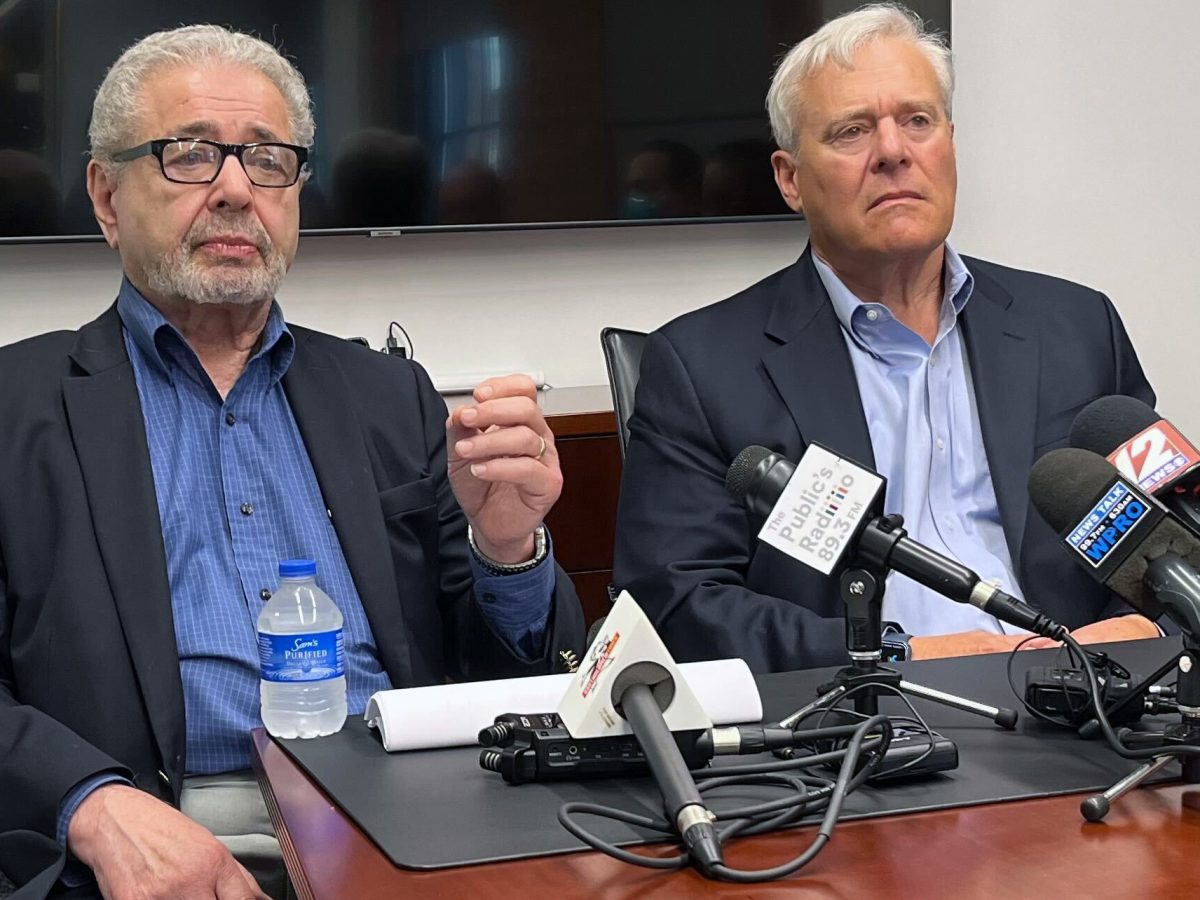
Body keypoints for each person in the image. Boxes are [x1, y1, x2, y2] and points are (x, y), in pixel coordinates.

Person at [0, 24, 584, 900]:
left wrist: (505, 549)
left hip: (409, 828)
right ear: (106, 196)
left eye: (269, 159)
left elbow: (515, 683)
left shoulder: (391, 396)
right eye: (190, 155)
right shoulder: (18, 405)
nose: (237, 188)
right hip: (148, 844)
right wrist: (90, 803)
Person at [613, 3, 1160, 674]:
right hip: (872, 722)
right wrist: (903, 655)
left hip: (1084, 704)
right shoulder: (703, 369)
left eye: (918, 121)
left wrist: (1146, 629)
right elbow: (680, 606)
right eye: (852, 131)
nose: (895, 152)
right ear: (790, 179)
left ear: (950, 144)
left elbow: (1173, 544)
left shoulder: (1077, 327)